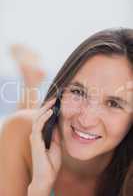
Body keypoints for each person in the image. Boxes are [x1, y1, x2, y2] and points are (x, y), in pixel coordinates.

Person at [0, 28, 133, 196]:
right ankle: (31, 81)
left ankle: (31, 79)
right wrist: (39, 188)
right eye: (78, 92)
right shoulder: (19, 131)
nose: (86, 120)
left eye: (113, 103)